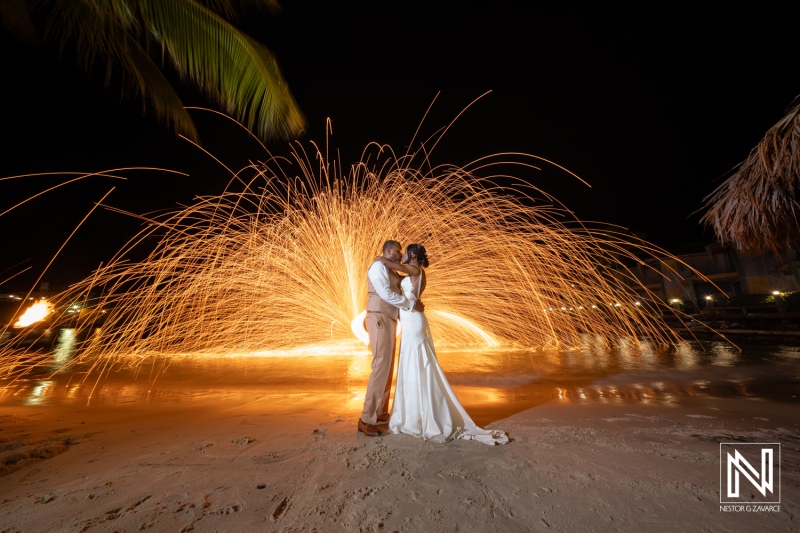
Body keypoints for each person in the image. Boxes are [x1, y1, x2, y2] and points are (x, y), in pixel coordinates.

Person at [377, 244, 508, 445]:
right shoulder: (415, 272)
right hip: (413, 319)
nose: (401, 255)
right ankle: (416, 413)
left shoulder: (415, 270)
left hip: (413, 321)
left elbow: (386, 262)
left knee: (418, 364)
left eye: (404, 252)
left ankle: (421, 416)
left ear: (412, 255)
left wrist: (381, 259)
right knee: (415, 364)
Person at [359, 240, 424, 437]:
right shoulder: (378, 266)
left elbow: (412, 276)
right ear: (388, 251)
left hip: (388, 319)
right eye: (397, 250)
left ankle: (379, 412)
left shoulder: (392, 269)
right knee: (380, 366)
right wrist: (410, 306)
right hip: (378, 317)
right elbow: (385, 293)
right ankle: (365, 419)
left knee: (387, 367)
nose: (400, 252)